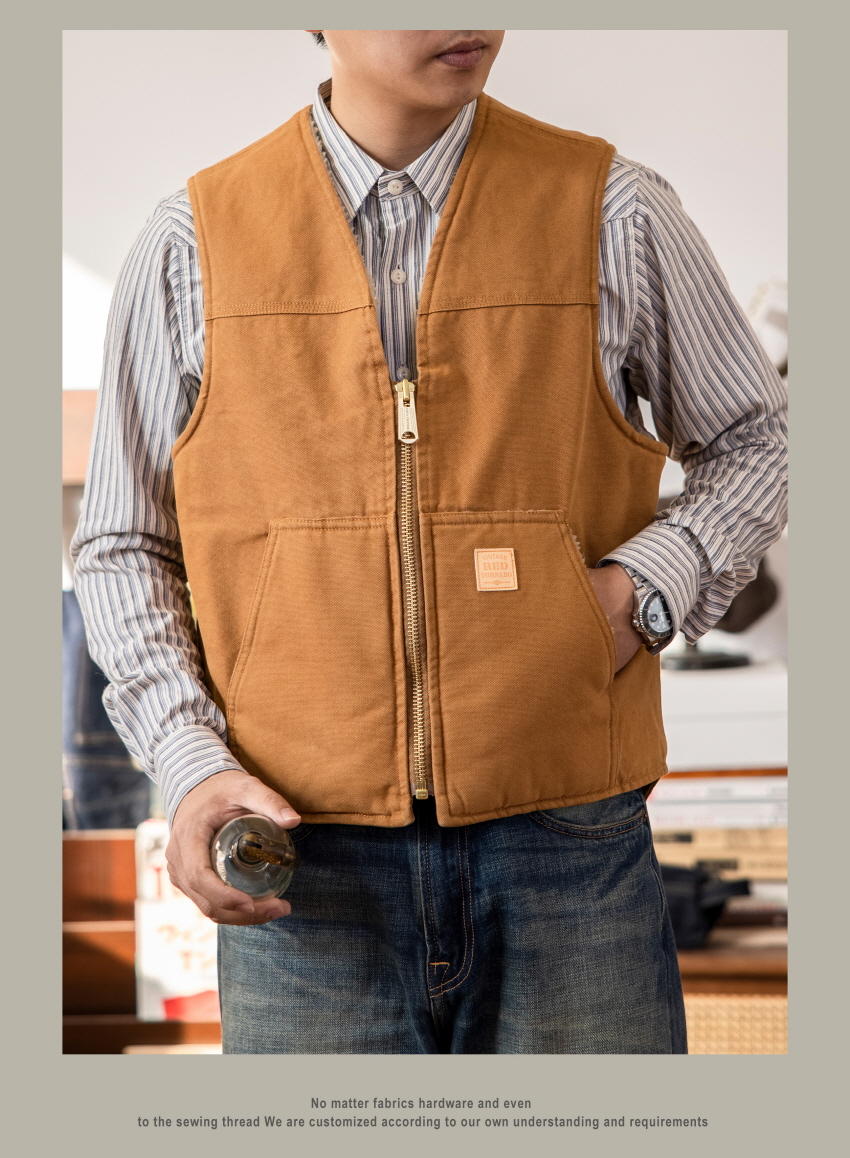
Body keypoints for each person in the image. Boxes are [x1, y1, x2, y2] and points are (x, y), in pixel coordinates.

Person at [72, 30, 787, 1054]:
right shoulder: (190, 241)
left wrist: (637, 594)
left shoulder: (613, 210)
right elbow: (121, 543)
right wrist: (190, 763)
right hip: (300, 866)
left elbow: (758, 438)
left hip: (570, 845)